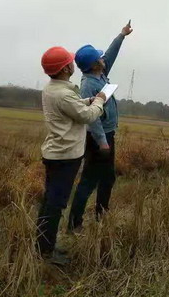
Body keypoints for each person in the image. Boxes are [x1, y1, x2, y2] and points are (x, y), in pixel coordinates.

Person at [37, 46, 107, 263]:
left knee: (50, 200)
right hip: (65, 156)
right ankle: (46, 251)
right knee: (56, 204)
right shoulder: (64, 94)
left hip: (56, 153)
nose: (72, 64)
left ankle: (43, 244)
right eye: (69, 62)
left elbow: (73, 108)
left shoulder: (53, 89)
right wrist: (100, 100)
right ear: (66, 69)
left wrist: (88, 100)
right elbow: (86, 116)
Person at [68, 22, 133, 231]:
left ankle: (101, 215)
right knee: (89, 180)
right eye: (99, 58)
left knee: (107, 177)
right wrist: (103, 142)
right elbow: (91, 117)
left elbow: (111, 54)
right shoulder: (89, 84)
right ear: (94, 65)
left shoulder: (100, 72)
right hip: (98, 139)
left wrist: (122, 35)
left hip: (107, 136)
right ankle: (74, 223)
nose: (103, 59)